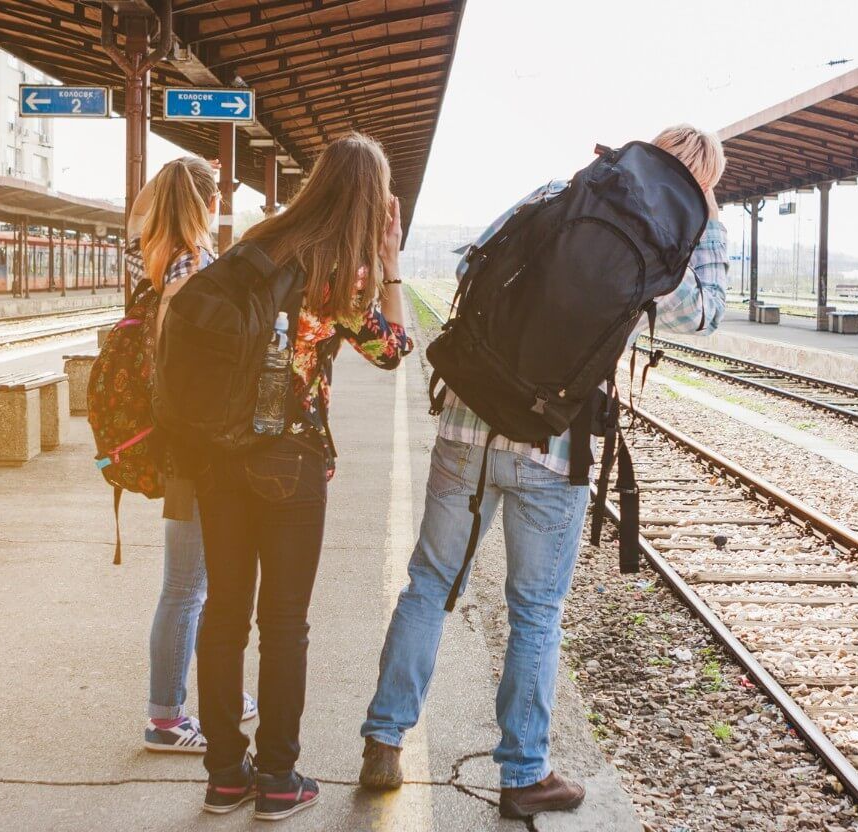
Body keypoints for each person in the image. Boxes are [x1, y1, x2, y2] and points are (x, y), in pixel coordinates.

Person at [359, 125, 729, 819]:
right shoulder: (675, 241)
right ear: (704, 184)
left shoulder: (565, 192)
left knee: (431, 583)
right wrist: (708, 228)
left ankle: (383, 739)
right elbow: (704, 317)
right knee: (535, 611)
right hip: (552, 444)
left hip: (469, 418)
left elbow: (477, 260)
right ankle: (523, 772)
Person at [193, 134, 412, 820]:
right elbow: (394, 351)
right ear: (373, 203)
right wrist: (390, 263)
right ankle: (278, 779)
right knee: (283, 623)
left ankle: (225, 774)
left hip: (218, 453)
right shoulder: (341, 271)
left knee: (223, 613)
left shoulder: (260, 241)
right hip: (291, 462)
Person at [127, 156, 260, 754]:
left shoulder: (160, 259)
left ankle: (213, 695)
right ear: (211, 207)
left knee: (192, 583)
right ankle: (164, 716)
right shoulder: (200, 268)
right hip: (197, 445)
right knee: (186, 586)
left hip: (179, 437)